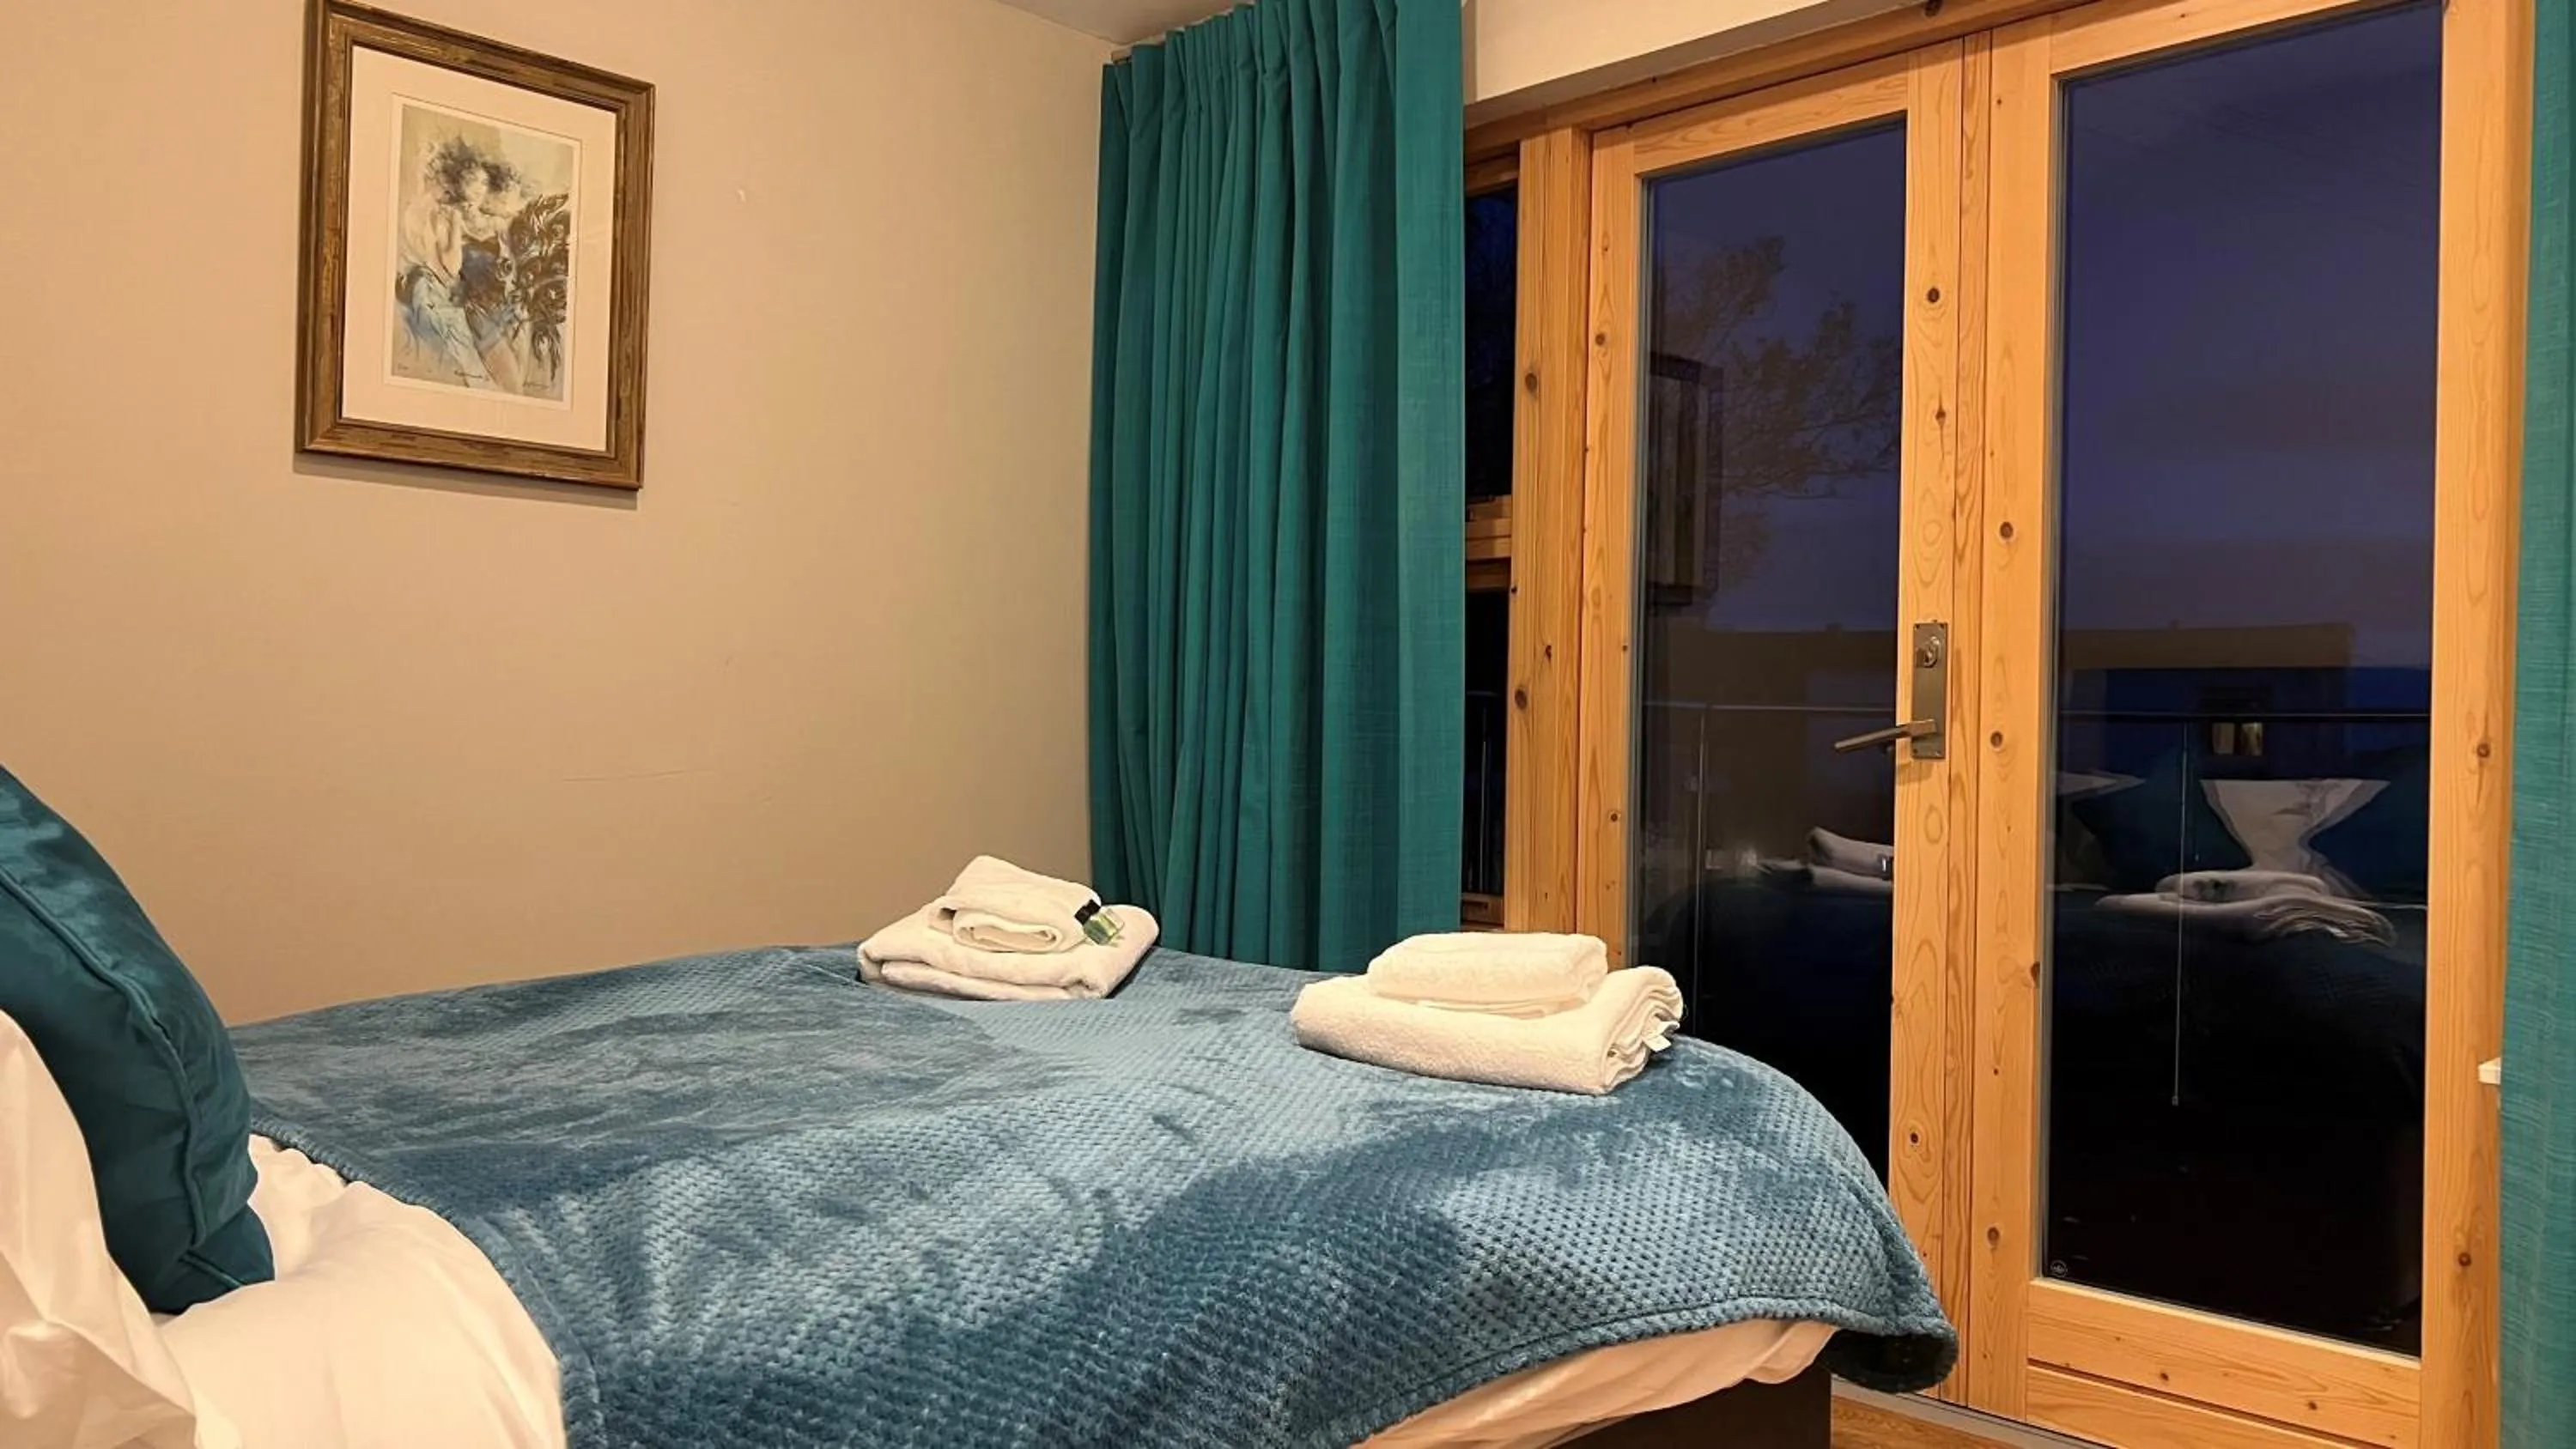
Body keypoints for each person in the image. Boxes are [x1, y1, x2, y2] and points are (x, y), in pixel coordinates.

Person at [394, 136, 528, 392]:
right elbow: (452, 267)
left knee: (519, 382)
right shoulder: (450, 219)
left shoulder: (499, 224)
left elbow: (512, 266)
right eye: (471, 180)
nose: (479, 186)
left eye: (483, 181)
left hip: (508, 308)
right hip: (478, 310)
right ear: (460, 183)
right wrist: (456, 224)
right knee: (509, 385)